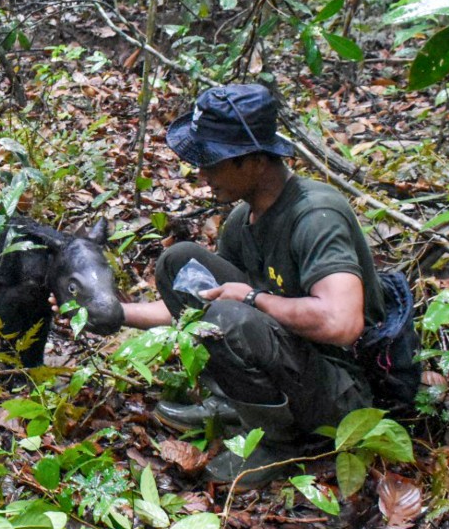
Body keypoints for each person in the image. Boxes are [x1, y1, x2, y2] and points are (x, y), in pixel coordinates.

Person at [121, 84, 385, 487]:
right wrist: (116, 312)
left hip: (342, 391)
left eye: (213, 162)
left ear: (256, 161)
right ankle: (239, 404)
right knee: (179, 262)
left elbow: (342, 322)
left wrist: (252, 298)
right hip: (291, 361)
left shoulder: (315, 215)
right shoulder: (243, 221)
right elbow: (199, 303)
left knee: (230, 315)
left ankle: (284, 442)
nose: (202, 174)